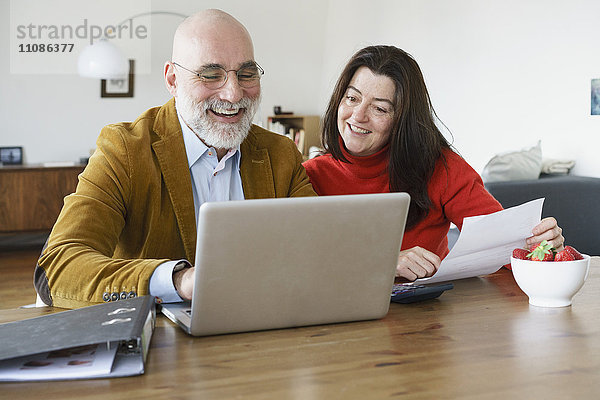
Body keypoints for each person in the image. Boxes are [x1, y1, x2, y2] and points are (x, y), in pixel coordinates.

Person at [34, 9, 316, 308]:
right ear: (172, 80)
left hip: (260, 331)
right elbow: (59, 268)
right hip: (155, 341)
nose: (233, 94)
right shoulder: (125, 151)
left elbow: (317, 249)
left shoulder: (281, 154)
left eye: (246, 74)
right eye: (210, 75)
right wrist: (178, 281)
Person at [303, 45, 564, 282]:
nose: (358, 116)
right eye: (352, 98)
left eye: (380, 109)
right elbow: (295, 264)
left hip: (425, 319)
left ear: (402, 120)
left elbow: (504, 246)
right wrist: (381, 263)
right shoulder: (307, 176)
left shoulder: (441, 167)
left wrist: (540, 246)